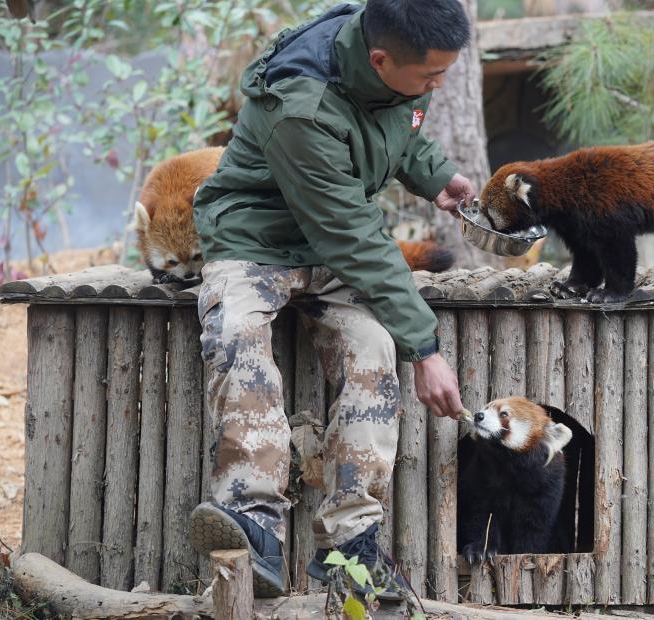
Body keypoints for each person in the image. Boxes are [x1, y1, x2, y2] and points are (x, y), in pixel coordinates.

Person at [187, 0, 472, 599]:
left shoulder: (395, 66)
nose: (438, 84)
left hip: (332, 244)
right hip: (255, 238)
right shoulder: (303, 106)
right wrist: (426, 347)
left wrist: (435, 175)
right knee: (237, 330)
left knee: (371, 342)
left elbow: (399, 122)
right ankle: (252, 521)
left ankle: (352, 542)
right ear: (378, 59)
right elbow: (352, 238)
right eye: (430, 75)